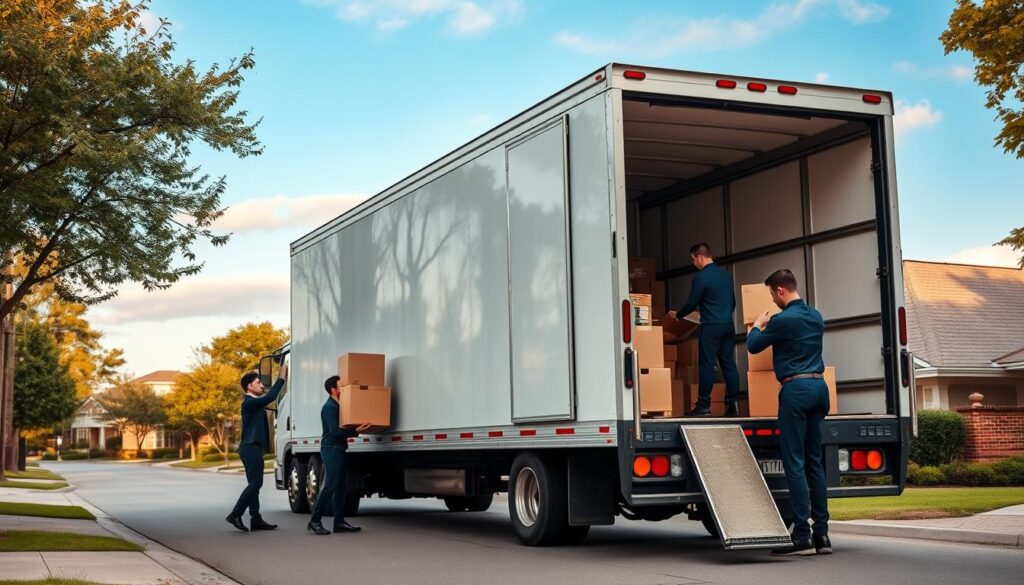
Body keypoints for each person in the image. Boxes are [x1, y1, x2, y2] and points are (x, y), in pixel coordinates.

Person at [747, 269, 831, 556]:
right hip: (820, 390)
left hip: (796, 391)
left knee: (794, 462)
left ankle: (802, 535)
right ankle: (823, 535)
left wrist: (757, 325)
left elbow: (754, 346)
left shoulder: (783, 320)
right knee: (814, 463)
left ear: (780, 290)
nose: (773, 298)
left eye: (772, 293)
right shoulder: (816, 316)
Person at [665, 243, 740, 417]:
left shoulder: (700, 278)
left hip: (711, 327)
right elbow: (733, 302)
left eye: (693, 259)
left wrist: (679, 315)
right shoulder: (726, 276)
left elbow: (692, 303)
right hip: (728, 326)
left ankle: (703, 406)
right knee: (728, 364)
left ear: (699, 257)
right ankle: (734, 404)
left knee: (706, 365)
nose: (694, 263)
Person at [307, 375, 373, 535]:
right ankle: (314, 521)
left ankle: (339, 522)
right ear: (334, 390)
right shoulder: (329, 408)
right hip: (331, 449)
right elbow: (336, 432)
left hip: (340, 448)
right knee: (329, 486)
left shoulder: (340, 406)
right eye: (341, 386)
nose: (345, 388)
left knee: (341, 487)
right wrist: (356, 431)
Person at [226, 363, 287, 532]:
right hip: (250, 448)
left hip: (253, 448)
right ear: (249, 386)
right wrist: (281, 379)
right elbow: (271, 397)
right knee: (255, 484)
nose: (262, 385)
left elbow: (266, 400)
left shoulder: (255, 403)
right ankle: (235, 514)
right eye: (259, 382)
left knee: (254, 484)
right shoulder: (249, 403)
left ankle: (256, 519)